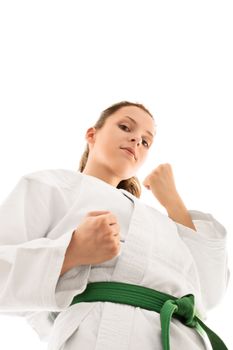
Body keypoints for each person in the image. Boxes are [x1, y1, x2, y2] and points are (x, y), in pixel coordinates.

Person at [0, 101, 230, 350]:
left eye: (145, 141)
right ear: (92, 134)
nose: (136, 141)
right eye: (125, 127)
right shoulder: (53, 185)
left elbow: (209, 293)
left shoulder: (161, 222)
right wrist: (71, 251)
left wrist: (174, 203)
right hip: (99, 336)